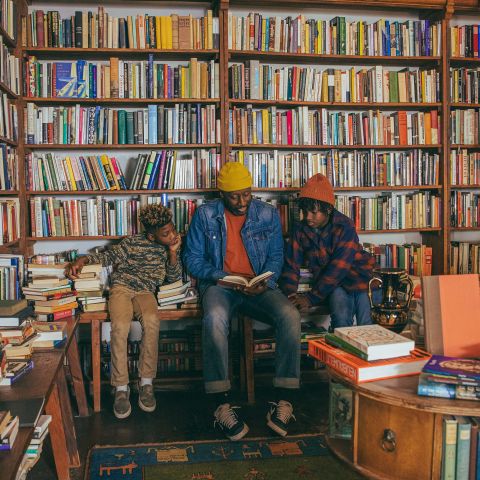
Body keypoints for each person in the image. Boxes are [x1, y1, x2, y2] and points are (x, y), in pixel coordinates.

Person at [183, 162, 301, 441]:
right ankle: (220, 403)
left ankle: (283, 400)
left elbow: (276, 256)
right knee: (214, 319)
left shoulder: (267, 214)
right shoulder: (205, 215)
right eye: (235, 196)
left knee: (290, 316)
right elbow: (192, 258)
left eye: (246, 194)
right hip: (221, 286)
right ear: (222, 193)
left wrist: (266, 282)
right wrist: (222, 275)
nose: (242, 201)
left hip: (258, 287)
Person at [66, 204, 182, 419]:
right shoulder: (132, 243)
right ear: (150, 235)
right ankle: (121, 387)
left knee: (151, 321)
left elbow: (173, 278)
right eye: (166, 234)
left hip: (146, 292)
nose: (173, 235)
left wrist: (172, 253)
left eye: (173, 229)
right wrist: (84, 259)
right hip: (122, 289)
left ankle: (146, 383)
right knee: (119, 327)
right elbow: (108, 258)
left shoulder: (170, 247)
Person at [280, 173, 376, 329]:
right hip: (333, 286)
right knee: (340, 323)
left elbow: (337, 270)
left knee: (366, 325)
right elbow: (291, 265)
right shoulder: (300, 229)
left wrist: (309, 299)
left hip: (360, 279)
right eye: (304, 211)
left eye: (313, 212)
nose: (308, 217)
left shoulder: (345, 226)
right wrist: (289, 297)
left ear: (328, 210)